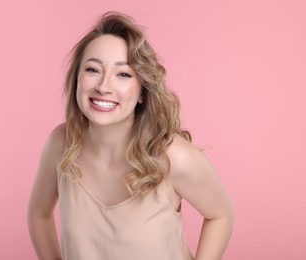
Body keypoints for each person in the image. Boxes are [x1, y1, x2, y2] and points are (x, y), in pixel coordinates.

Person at [27, 11, 233, 260]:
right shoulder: (61, 143)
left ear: (142, 92)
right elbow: (38, 214)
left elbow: (220, 215)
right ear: (76, 80)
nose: (104, 86)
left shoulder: (173, 156)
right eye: (93, 69)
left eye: (123, 74)